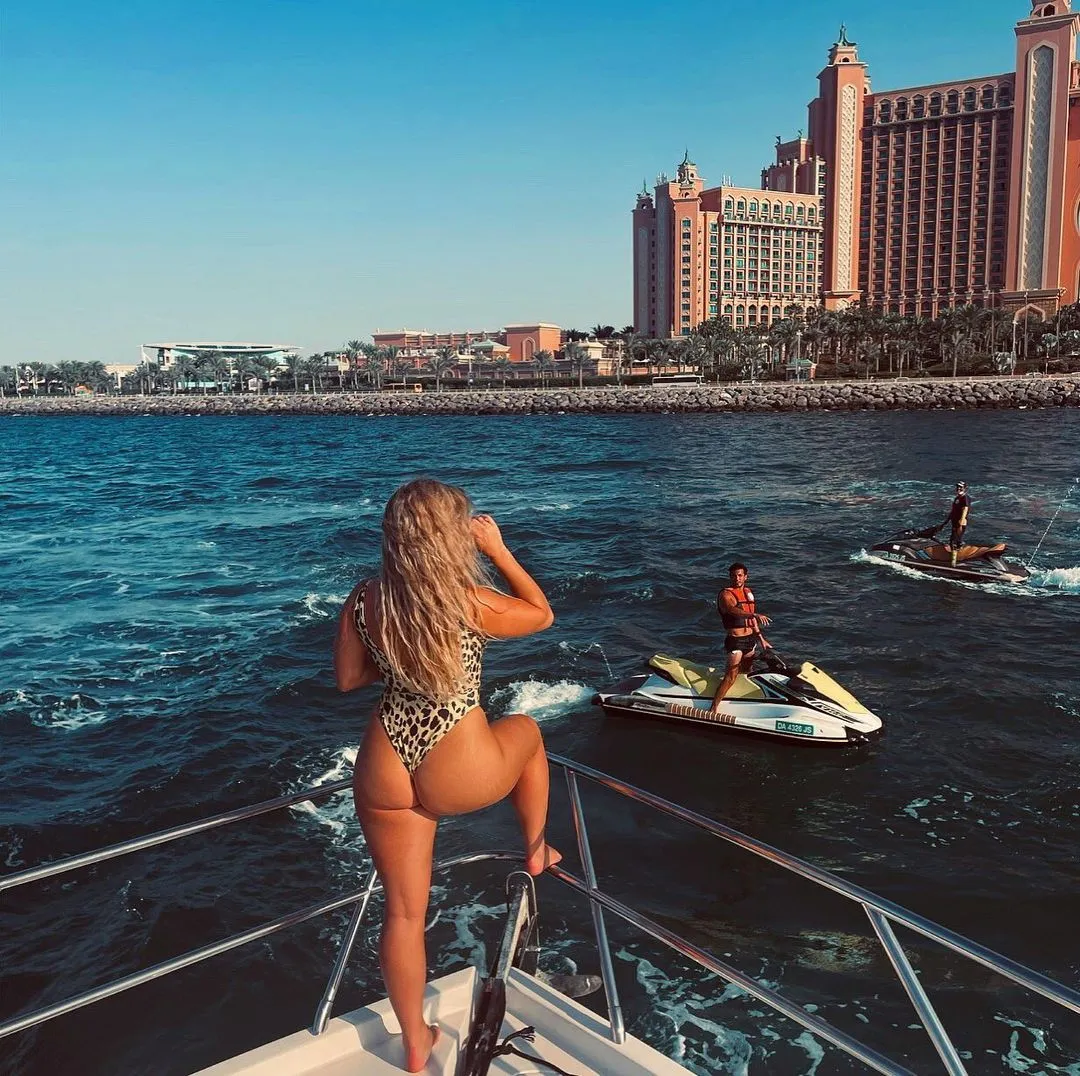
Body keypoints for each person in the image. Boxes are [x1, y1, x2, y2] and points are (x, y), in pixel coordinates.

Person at [334, 479, 559, 1073]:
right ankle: (536, 849)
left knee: (403, 914)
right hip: (454, 751)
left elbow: (349, 679)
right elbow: (542, 614)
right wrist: (499, 550)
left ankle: (415, 1042)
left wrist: (399, 657)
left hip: (386, 755)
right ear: (451, 536)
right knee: (528, 731)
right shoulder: (468, 601)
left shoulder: (365, 598)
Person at [711, 562, 771, 713]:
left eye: (739, 575)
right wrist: (754, 615)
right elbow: (732, 610)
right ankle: (713, 707)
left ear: (745, 577)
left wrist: (761, 639)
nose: (737, 578)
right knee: (731, 676)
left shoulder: (748, 592)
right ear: (730, 577)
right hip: (736, 641)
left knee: (746, 672)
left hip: (750, 640)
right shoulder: (726, 594)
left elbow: (751, 621)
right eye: (733, 576)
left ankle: (740, 700)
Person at [940, 481, 971, 566]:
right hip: (954, 522)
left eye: (961, 487)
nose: (959, 488)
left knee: (955, 542)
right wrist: (946, 521)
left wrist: (962, 520)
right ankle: (954, 557)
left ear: (965, 488)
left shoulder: (965, 498)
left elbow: (965, 509)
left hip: (960, 523)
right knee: (952, 540)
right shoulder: (957, 498)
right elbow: (953, 511)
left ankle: (954, 563)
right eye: (958, 487)